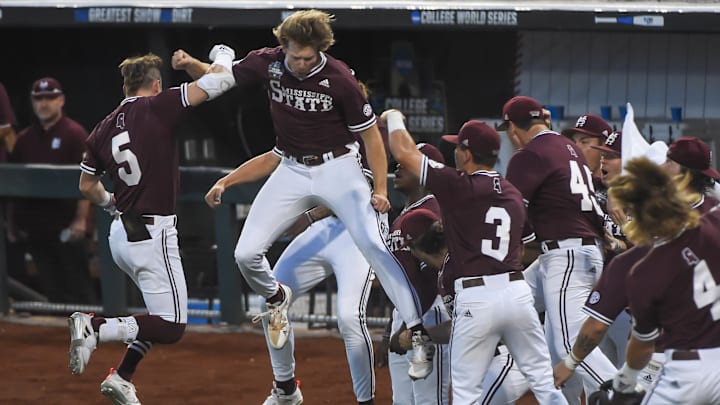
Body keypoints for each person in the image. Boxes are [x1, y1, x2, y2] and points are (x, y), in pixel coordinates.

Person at [173, 9, 434, 380]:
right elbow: (219, 79)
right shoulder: (270, 62)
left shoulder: (339, 78)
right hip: (292, 167)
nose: (300, 62)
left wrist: (379, 187)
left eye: (309, 56)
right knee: (245, 253)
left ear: (321, 50)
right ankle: (277, 299)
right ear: (284, 45)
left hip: (338, 167)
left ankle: (418, 333)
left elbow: (371, 136)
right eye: (295, 54)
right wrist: (192, 64)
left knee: (374, 246)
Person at [69, 49, 236, 405]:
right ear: (156, 85)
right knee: (172, 326)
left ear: (125, 85)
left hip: (121, 235)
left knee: (154, 315)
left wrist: (111, 203)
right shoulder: (159, 105)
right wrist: (223, 53)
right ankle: (95, 327)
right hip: (152, 233)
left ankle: (123, 376)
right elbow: (221, 80)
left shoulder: (102, 127)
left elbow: (86, 186)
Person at [383, 110, 567, 404]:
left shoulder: (459, 185)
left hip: (477, 293)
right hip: (517, 291)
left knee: (467, 395)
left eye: (458, 147)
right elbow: (527, 247)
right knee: (545, 385)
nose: (455, 152)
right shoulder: (512, 192)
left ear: (466, 154)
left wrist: (393, 118)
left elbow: (404, 151)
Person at [553, 137, 720, 393]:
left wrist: (571, 362)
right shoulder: (713, 217)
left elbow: (599, 327)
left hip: (674, 362)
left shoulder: (640, 260)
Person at [499, 96, 616, 403]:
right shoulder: (571, 151)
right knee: (509, 303)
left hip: (566, 256)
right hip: (579, 252)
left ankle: (627, 395)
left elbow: (511, 216)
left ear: (513, 128)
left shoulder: (529, 155)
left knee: (569, 345)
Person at [390, 208, 532, 405]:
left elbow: (462, 326)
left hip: (504, 357)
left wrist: (419, 335)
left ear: (418, 247)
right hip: (490, 359)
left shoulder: (455, 269)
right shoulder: (450, 267)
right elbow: (461, 325)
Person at [609, 158, 720, 404]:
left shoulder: (643, 271)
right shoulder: (713, 225)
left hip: (686, 373)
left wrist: (625, 379)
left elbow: (642, 347)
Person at [7, 77, 96, 304]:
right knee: (52, 291)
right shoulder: (25, 139)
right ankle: (62, 338)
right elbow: (15, 183)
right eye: (39, 99)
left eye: (50, 98)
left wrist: (80, 220)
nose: (44, 104)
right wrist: (14, 223)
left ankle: (89, 336)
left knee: (78, 289)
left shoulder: (74, 133)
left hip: (68, 228)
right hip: (37, 229)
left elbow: (88, 178)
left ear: (61, 100)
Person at [381, 143, 451, 405]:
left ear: (424, 172)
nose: (398, 167)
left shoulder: (431, 212)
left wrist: (408, 325)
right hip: (407, 316)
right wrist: (392, 326)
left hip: (428, 312)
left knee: (429, 400)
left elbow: (432, 277)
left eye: (407, 164)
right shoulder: (408, 213)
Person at [561, 114, 611, 179]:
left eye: (584, 142)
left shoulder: (621, 187)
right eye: (574, 142)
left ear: (603, 147)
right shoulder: (568, 184)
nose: (576, 148)